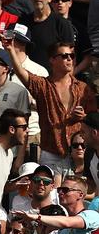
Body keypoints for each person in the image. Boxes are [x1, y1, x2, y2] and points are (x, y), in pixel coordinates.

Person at [6, 39, 97, 180]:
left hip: (79, 152)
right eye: (64, 56)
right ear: (52, 60)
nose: (69, 59)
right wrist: (11, 50)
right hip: (50, 155)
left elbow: (94, 118)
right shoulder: (43, 86)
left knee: (77, 197)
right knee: (51, 198)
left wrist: (83, 116)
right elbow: (22, 73)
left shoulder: (83, 88)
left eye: (72, 56)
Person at [19, 0, 75, 71]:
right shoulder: (23, 22)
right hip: (27, 76)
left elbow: (70, 56)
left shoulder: (62, 24)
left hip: (52, 78)